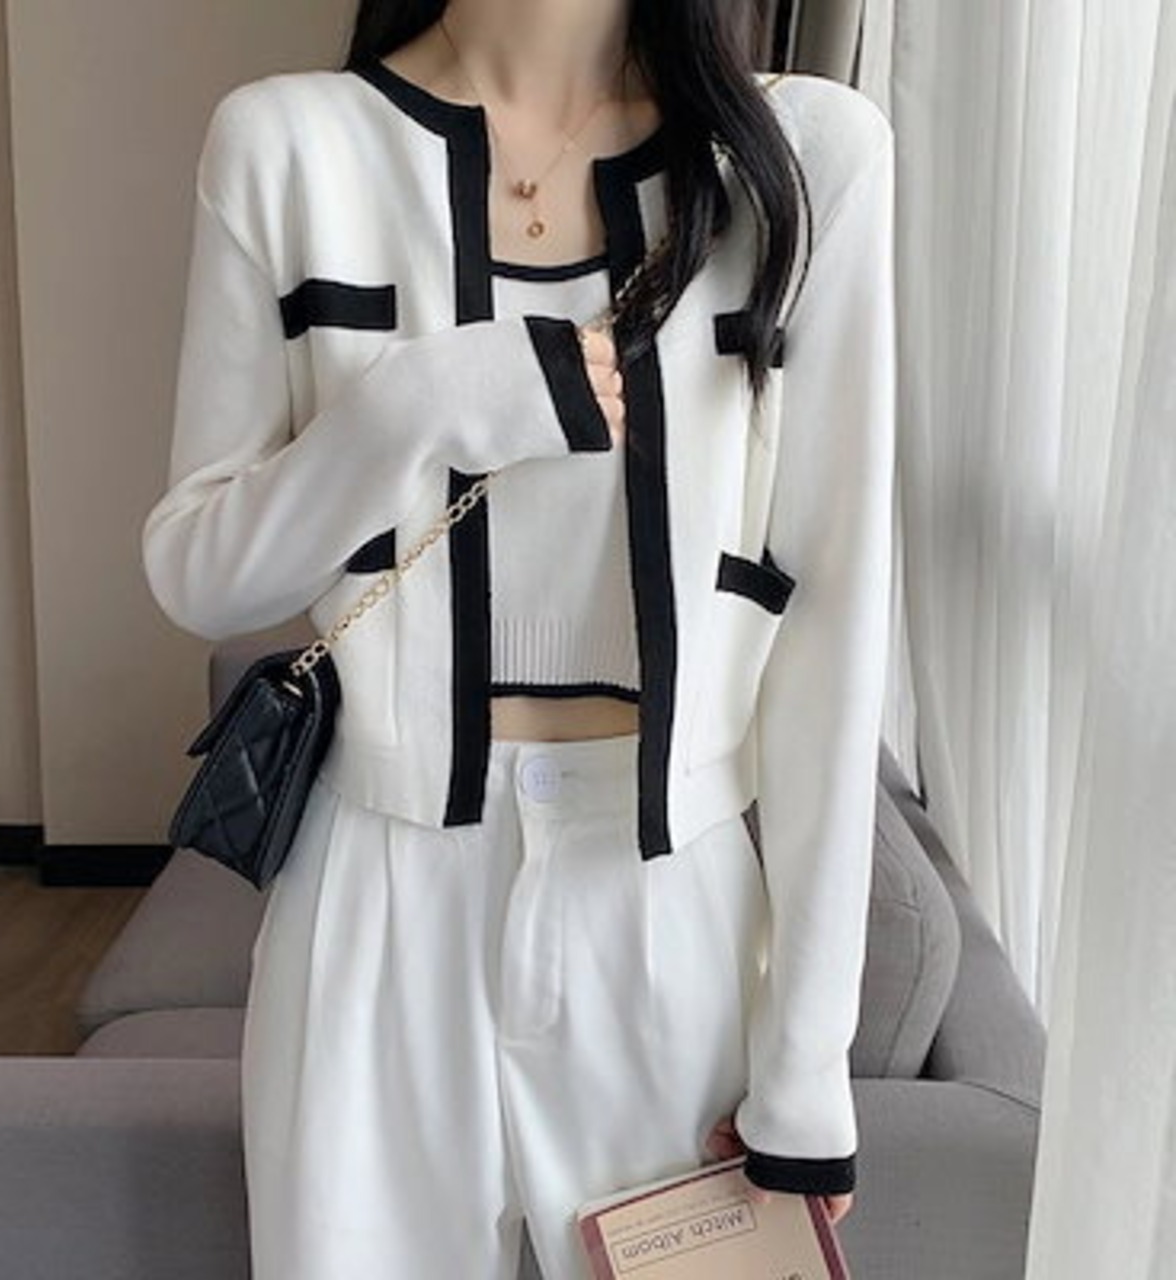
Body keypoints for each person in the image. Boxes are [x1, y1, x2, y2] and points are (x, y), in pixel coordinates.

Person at [141, 0, 896, 1275]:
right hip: (376, 900)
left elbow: (833, 613)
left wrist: (807, 1059)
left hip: (670, 914)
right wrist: (408, 407)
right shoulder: (288, 146)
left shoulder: (806, 154)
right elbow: (199, 573)